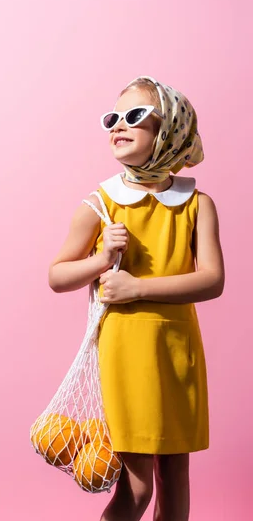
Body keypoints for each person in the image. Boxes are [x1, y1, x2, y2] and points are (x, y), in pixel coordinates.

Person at [48, 76, 225, 521]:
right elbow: (57, 275)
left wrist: (138, 287)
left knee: (176, 478)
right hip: (126, 353)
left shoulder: (197, 204)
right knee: (139, 486)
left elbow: (213, 280)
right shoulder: (102, 203)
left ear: (169, 133)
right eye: (113, 118)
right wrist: (101, 259)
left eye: (134, 117)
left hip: (178, 352)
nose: (118, 126)